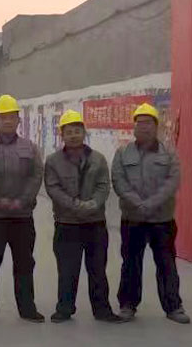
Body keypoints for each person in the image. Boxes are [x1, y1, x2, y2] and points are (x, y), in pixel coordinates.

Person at [111, 102, 190, 324]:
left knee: (166, 264)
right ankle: (127, 305)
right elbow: (118, 180)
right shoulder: (122, 153)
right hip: (132, 218)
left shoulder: (169, 154)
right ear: (134, 127)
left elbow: (172, 182)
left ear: (156, 127)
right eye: (139, 123)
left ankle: (173, 306)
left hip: (161, 220)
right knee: (131, 264)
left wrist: (152, 204)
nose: (143, 127)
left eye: (148, 123)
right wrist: (137, 203)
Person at [44, 109, 123, 324]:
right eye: (69, 132)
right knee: (67, 270)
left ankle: (102, 309)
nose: (73, 135)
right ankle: (64, 309)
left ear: (84, 133)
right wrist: (75, 205)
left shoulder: (98, 159)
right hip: (66, 223)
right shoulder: (53, 161)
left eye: (77, 131)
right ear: (62, 135)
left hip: (94, 223)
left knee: (97, 269)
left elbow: (103, 185)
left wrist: (93, 204)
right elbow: (53, 188)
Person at [0, 94, 46, 323]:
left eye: (11, 117)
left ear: (18, 121)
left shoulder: (30, 148)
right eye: (2, 117)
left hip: (22, 217)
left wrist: (22, 200)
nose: (7, 121)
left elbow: (36, 176)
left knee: (24, 263)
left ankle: (27, 308)